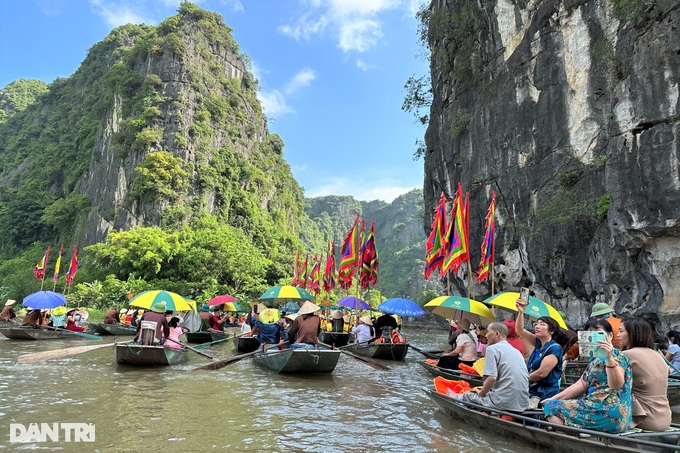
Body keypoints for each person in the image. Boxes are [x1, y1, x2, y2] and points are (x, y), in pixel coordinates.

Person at [542, 318, 632, 434]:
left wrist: (609, 359)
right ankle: (578, 432)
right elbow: (581, 383)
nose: (593, 337)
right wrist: (554, 398)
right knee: (550, 405)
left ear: (610, 336)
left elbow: (616, 385)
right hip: (598, 408)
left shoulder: (617, 356)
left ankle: (577, 434)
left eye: (597, 333)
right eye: (589, 334)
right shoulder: (595, 358)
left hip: (607, 411)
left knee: (550, 409)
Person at [455, 322, 530, 411]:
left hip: (502, 402)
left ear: (497, 334)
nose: (486, 335)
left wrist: (481, 393)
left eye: (488, 332)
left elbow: (492, 379)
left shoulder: (491, 349)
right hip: (523, 402)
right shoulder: (516, 351)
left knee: (467, 395)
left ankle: (453, 397)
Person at [619, 317, 672, 431]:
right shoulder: (657, 354)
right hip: (665, 417)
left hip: (644, 418)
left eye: (621, 331)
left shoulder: (625, 355)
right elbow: (668, 371)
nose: (617, 335)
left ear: (633, 334)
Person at [515, 299, 563, 400]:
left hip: (546, 392)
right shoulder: (538, 342)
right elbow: (520, 330)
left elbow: (542, 373)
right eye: (536, 324)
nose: (537, 327)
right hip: (533, 388)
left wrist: (521, 379)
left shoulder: (554, 348)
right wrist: (521, 312)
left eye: (542, 324)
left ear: (552, 331)